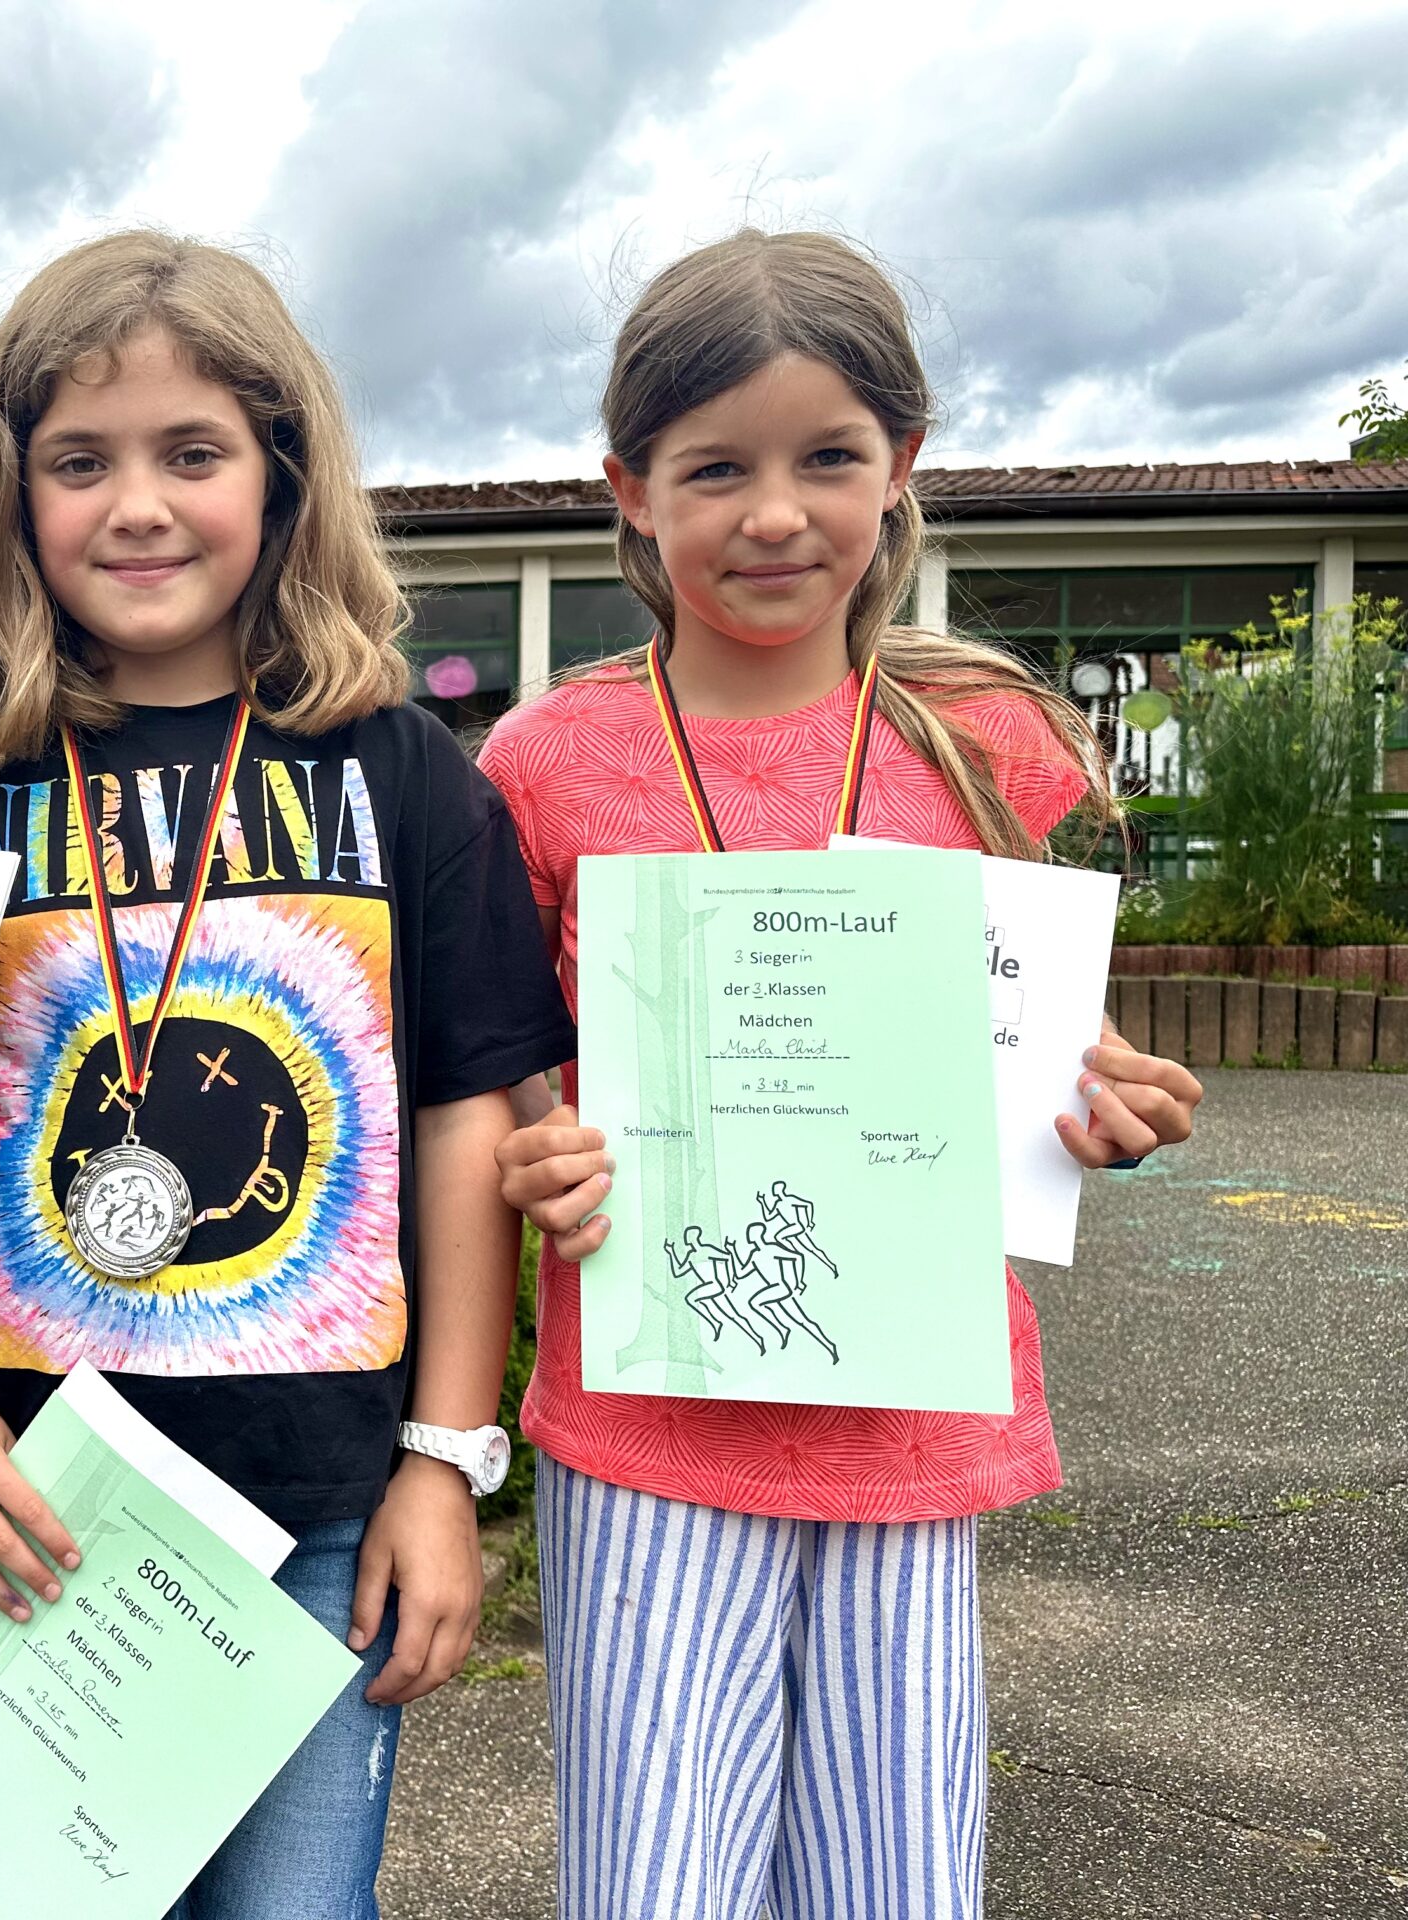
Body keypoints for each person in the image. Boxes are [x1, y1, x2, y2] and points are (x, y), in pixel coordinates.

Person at [0, 230, 569, 1920]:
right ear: (13, 493)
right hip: (39, 1513)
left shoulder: (404, 775)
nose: (138, 506)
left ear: (281, 476)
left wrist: (444, 1464)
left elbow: (464, 1125)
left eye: (193, 453)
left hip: (324, 1510)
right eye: (80, 461)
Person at [480, 228, 1206, 1919]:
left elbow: (1038, 1043)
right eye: (713, 468)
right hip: (649, 1426)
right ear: (630, 489)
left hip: (906, 1421)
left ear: (903, 468)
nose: (774, 514)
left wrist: (1101, 1108)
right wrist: (539, 1150)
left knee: (897, 1877)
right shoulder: (547, 760)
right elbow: (519, 1071)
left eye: (828, 458)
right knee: (655, 1882)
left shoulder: (988, 743)